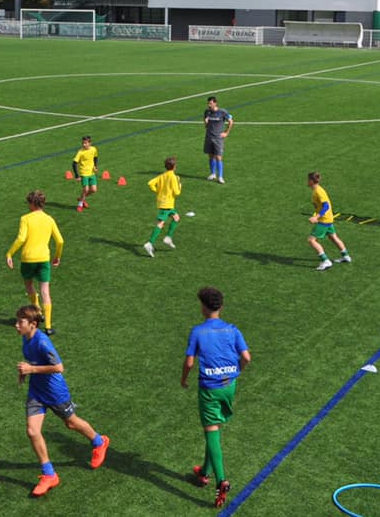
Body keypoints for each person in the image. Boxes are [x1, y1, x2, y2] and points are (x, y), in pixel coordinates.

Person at [15, 304, 109, 497]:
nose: (16, 325)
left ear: (33, 324)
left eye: (20, 322)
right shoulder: (26, 337)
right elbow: (34, 362)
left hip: (54, 392)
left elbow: (58, 367)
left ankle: (99, 442)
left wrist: (31, 370)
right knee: (32, 431)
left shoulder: (42, 342)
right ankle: (49, 474)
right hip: (36, 391)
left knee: (71, 423)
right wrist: (26, 373)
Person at [180, 287, 251, 509]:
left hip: (209, 388)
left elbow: (190, 362)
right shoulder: (232, 330)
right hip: (229, 386)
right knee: (215, 428)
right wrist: (236, 372)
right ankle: (204, 471)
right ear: (220, 307)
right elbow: (247, 357)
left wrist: (183, 379)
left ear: (203, 307)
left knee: (211, 431)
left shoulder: (198, 331)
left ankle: (221, 481)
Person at [6, 191, 63, 335]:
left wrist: (10, 253)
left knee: (29, 286)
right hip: (43, 259)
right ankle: (48, 326)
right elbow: (60, 241)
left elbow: (21, 239)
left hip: (28, 259)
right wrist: (57, 256)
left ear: (32, 204)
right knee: (45, 290)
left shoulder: (25, 218)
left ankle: (37, 311)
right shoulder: (49, 219)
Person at [306, 171, 352, 271]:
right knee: (333, 237)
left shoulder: (318, 191)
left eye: (308, 180)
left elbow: (326, 206)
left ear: (311, 181)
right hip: (328, 218)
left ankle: (325, 260)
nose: (307, 181)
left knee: (311, 240)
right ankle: (345, 256)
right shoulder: (317, 190)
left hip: (324, 220)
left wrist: (316, 217)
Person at [143, 156, 182, 257]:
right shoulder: (173, 177)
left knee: (176, 218)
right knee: (160, 223)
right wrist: (180, 185)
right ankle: (149, 243)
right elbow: (177, 192)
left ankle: (168, 238)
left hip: (164, 203)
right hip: (167, 204)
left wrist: (157, 191)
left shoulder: (162, 175)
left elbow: (150, 183)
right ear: (174, 167)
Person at [203, 97, 233, 184]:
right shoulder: (207, 112)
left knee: (218, 157)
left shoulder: (222, 112)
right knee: (210, 156)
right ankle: (213, 174)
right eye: (208, 103)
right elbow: (206, 124)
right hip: (209, 137)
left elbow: (231, 122)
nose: (209, 105)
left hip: (218, 138)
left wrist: (226, 132)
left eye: (211, 103)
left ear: (215, 103)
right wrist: (205, 122)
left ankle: (220, 176)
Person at [71, 135, 98, 212]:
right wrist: (77, 175)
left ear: (90, 143)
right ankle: (80, 204)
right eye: (82, 143)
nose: (83, 144)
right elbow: (74, 163)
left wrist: (95, 166)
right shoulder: (80, 152)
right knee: (86, 189)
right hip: (84, 173)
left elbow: (95, 157)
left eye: (85, 143)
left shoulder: (94, 149)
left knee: (94, 190)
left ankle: (81, 199)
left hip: (92, 173)